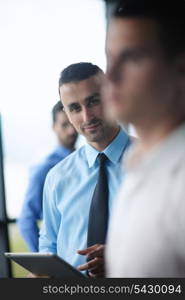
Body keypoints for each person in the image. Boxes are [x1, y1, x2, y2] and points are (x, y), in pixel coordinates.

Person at [104, 0, 185, 277]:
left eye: (132, 58)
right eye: (110, 58)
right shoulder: (138, 163)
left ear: (180, 70)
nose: (110, 76)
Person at [37, 62, 130, 278]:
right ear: (66, 113)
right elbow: (49, 243)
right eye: (75, 108)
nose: (87, 117)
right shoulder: (57, 177)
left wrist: (122, 259)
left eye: (94, 102)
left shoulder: (154, 164)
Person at [17, 101, 77, 252]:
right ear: (53, 127)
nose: (71, 131)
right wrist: (44, 263)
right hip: (62, 258)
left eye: (72, 123)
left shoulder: (89, 162)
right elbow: (26, 220)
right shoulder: (45, 169)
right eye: (64, 125)